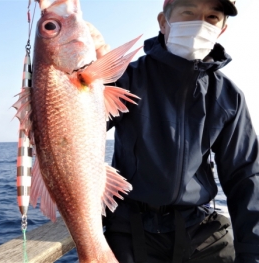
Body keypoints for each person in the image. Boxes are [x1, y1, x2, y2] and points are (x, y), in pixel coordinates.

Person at [89, 0, 259, 262]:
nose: (200, 24)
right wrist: (82, 73)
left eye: (212, 17)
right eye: (188, 12)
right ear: (163, 22)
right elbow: (73, 129)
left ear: (222, 29)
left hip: (202, 230)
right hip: (131, 230)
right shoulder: (127, 79)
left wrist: (252, 252)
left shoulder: (228, 96)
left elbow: (245, 175)